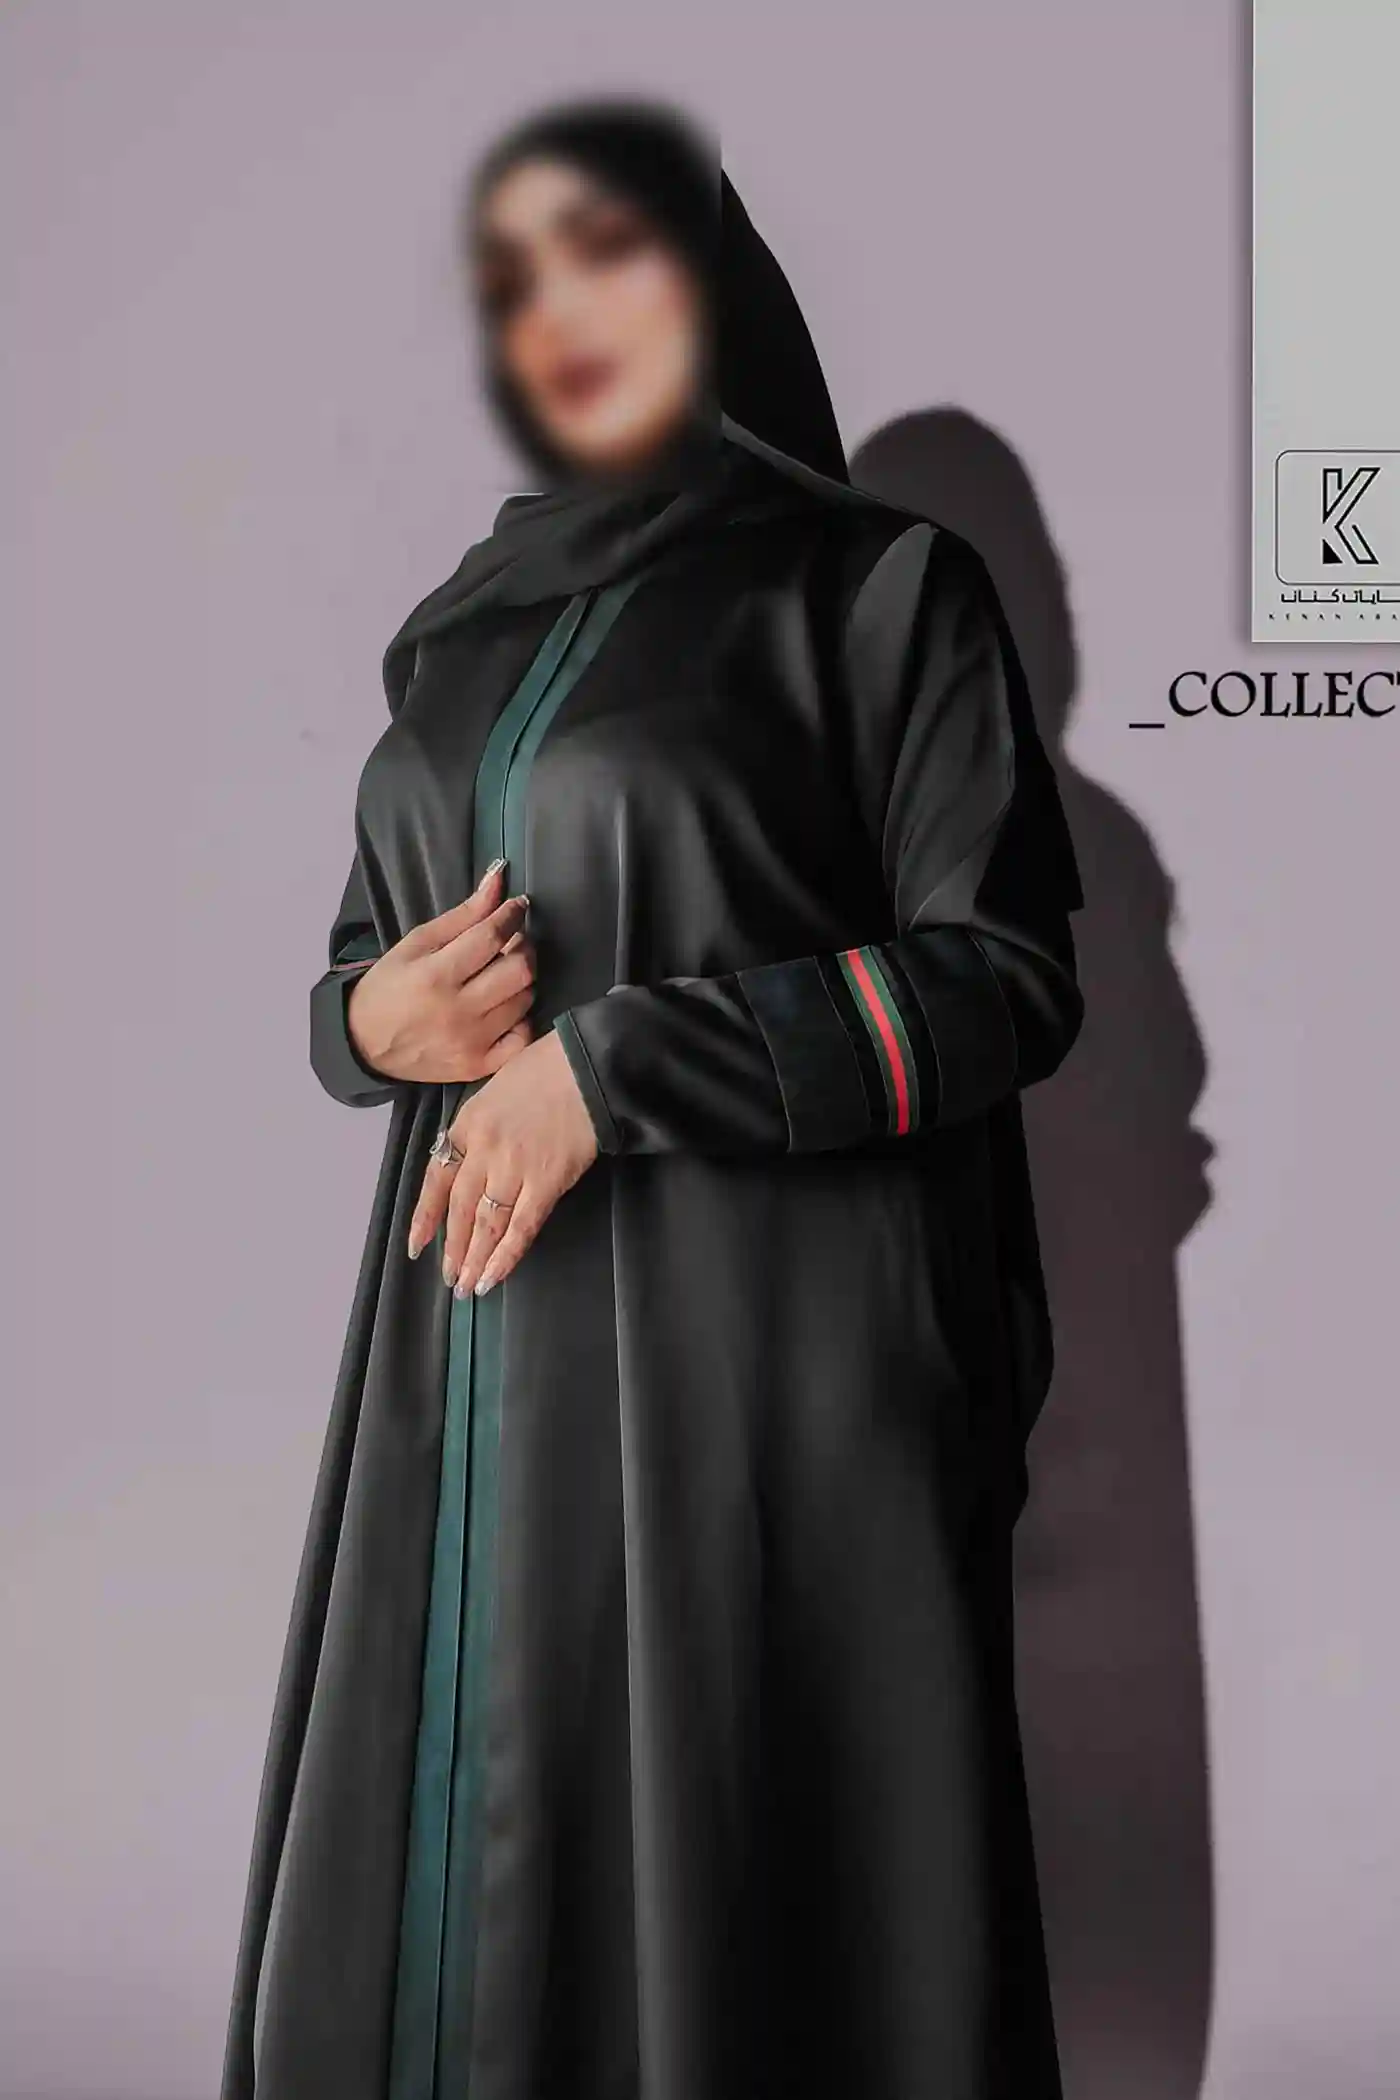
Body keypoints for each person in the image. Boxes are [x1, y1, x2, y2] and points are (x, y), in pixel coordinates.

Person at [220, 92, 1086, 2100]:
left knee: (734, 1895)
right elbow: (370, 962)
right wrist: (368, 1028)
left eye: (604, 250)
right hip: (479, 1368)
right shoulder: (460, 635)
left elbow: (1008, 978)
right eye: (513, 280)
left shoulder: (874, 592)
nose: (559, 313)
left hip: (754, 1367)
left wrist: (618, 1070)